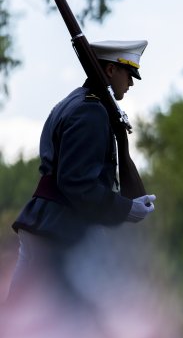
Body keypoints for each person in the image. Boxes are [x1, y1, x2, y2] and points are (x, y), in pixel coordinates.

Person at [11, 39, 156, 290]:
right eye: (128, 74)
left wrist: (121, 139)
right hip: (60, 232)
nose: (131, 83)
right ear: (111, 70)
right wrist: (125, 208)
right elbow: (76, 184)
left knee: (19, 320)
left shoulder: (75, 103)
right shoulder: (90, 111)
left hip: (48, 225)